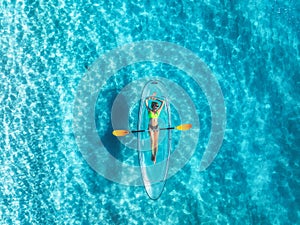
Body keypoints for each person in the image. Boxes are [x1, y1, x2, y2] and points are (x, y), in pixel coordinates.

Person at [145, 92, 165, 164]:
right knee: (152, 141)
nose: (156, 108)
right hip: (150, 127)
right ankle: (152, 154)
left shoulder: (158, 112)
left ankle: (155, 156)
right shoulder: (149, 110)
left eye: (157, 106)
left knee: (156, 143)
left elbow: (163, 102)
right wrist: (149, 98)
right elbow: (146, 101)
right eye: (155, 106)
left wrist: (156, 99)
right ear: (152, 106)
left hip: (156, 127)